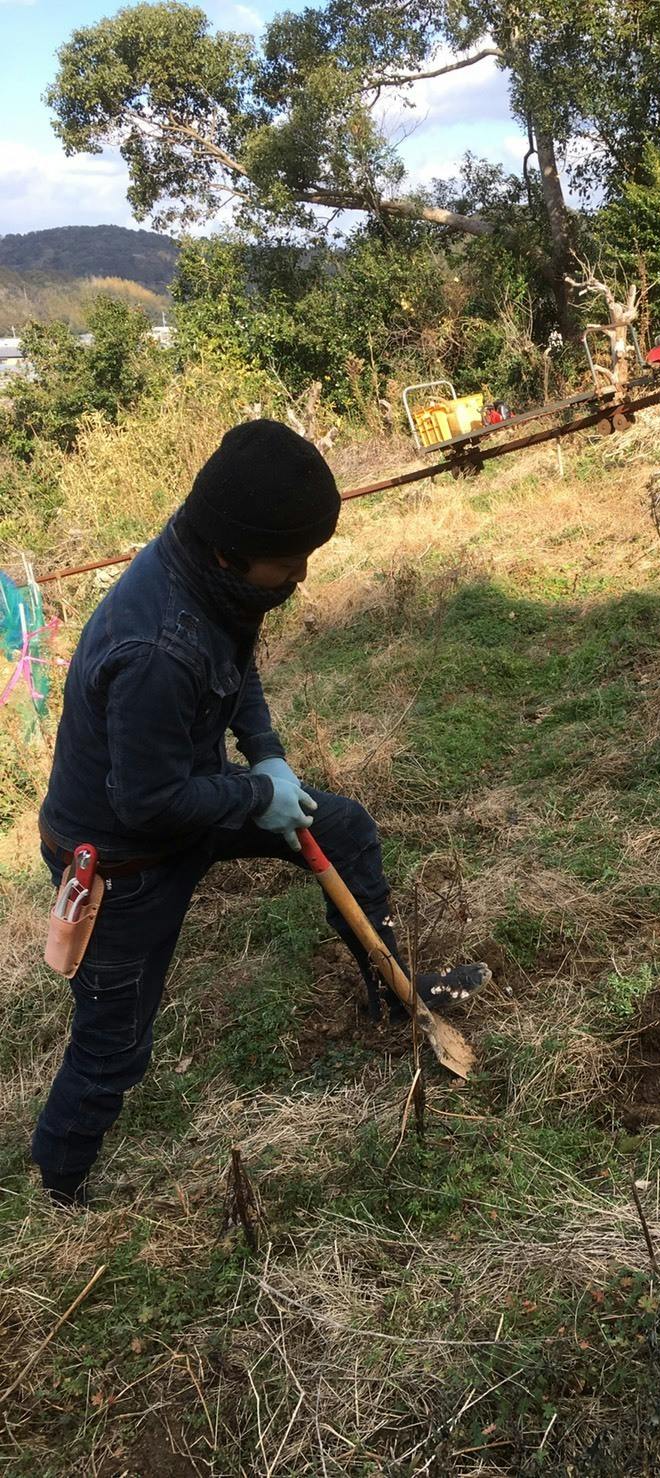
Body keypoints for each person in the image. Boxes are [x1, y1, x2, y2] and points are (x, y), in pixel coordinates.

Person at [33, 419, 487, 1208]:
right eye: (290, 563)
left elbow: (234, 660)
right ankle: (60, 1181)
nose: (300, 577)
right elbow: (143, 803)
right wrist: (253, 795)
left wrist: (266, 754)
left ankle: (392, 989)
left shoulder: (212, 577)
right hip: (120, 863)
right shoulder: (156, 648)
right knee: (115, 1043)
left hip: (187, 798)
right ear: (228, 553)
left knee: (341, 829)